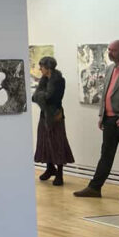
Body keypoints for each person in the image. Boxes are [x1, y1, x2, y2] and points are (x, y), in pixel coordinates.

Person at [74, 39, 119, 201]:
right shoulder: (110, 69)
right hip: (109, 120)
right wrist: (102, 115)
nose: (110, 53)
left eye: (113, 50)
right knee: (106, 154)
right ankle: (94, 188)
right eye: (109, 50)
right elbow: (105, 92)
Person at [33, 56, 74, 185]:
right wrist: (41, 96)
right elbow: (34, 97)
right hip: (44, 115)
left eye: (41, 67)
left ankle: (59, 174)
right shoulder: (44, 80)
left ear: (48, 67)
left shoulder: (59, 81)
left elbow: (51, 98)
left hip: (55, 115)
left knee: (57, 143)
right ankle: (50, 168)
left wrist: (40, 96)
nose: (40, 69)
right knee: (45, 141)